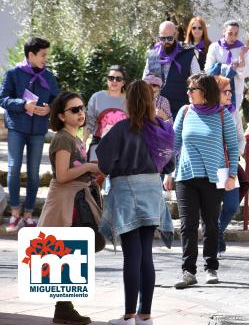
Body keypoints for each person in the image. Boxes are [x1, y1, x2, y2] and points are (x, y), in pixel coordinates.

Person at [96, 80, 175, 325]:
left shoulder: (120, 129)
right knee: (146, 255)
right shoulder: (161, 128)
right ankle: (145, 314)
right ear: (151, 100)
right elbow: (169, 164)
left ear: (128, 101)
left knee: (131, 255)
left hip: (126, 194)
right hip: (152, 192)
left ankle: (129, 315)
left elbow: (105, 164)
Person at [166, 73, 238, 288]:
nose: (188, 93)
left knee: (211, 224)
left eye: (192, 89)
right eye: (188, 89)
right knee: (188, 225)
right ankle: (188, 271)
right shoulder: (185, 111)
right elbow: (174, 145)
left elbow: (233, 148)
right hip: (185, 176)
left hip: (213, 178)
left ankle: (211, 267)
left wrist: (232, 174)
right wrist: (169, 173)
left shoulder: (223, 114)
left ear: (205, 93)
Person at [38, 91, 100, 325]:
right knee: (69, 250)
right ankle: (63, 308)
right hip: (65, 200)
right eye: (74, 110)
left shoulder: (75, 137)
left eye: (82, 108)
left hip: (74, 198)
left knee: (71, 250)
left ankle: (63, 308)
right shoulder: (63, 138)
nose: (81, 113)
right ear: (62, 116)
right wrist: (88, 168)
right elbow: (62, 175)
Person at [0, 37, 59, 231]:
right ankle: (15, 213)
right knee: (14, 167)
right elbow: (3, 99)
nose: (45, 58)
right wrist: (23, 104)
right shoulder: (13, 74)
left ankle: (29, 214)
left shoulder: (48, 76)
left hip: (38, 130)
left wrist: (49, 109)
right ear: (31, 55)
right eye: (42, 55)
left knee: (34, 173)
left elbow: (56, 99)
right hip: (17, 127)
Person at [214, 75, 245, 255]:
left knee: (232, 205)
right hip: (212, 166)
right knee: (211, 207)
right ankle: (215, 240)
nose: (229, 95)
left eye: (231, 92)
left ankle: (216, 232)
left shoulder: (233, 111)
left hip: (229, 165)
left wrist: (237, 152)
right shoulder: (207, 112)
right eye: (225, 92)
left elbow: (241, 138)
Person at [143, 21, 200, 118]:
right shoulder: (152, 55)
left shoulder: (188, 54)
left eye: (169, 38)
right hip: (155, 113)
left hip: (181, 112)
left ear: (176, 35)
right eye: (162, 38)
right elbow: (144, 83)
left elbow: (199, 83)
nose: (166, 42)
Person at [205, 20, 249, 112]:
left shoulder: (242, 48)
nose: (233, 37)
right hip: (216, 89)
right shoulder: (215, 47)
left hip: (236, 91)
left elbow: (245, 73)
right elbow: (208, 70)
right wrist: (229, 68)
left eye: (236, 34)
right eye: (230, 33)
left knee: (232, 118)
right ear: (224, 32)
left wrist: (241, 57)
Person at [84, 65, 128, 162]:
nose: (114, 81)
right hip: (98, 143)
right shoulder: (96, 97)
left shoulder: (130, 100)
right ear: (107, 80)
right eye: (111, 78)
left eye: (118, 79)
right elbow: (90, 121)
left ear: (123, 82)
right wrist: (83, 142)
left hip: (122, 146)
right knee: (94, 175)